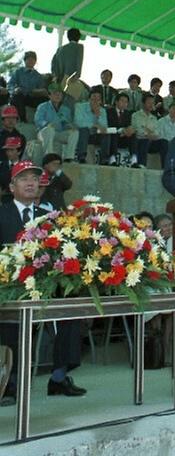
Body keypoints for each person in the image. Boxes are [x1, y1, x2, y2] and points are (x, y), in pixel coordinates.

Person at [0, 161, 86, 403]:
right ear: (11, 186)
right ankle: (10, 380)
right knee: (12, 309)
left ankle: (59, 377)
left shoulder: (48, 217)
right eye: (23, 178)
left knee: (71, 304)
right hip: (11, 286)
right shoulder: (2, 213)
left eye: (34, 179)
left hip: (46, 285)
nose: (30, 183)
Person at [34, 84, 79, 162]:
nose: (58, 96)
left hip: (58, 133)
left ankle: (69, 158)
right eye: (55, 94)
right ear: (49, 96)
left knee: (75, 132)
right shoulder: (43, 106)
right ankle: (49, 157)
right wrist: (47, 124)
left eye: (60, 94)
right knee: (49, 130)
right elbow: (38, 120)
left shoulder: (66, 109)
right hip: (44, 133)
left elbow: (66, 124)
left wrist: (69, 126)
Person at [7, 51, 48, 122]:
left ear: (35, 61)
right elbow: (10, 84)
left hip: (32, 97)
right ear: (25, 60)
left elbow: (42, 89)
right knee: (17, 97)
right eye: (28, 59)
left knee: (44, 100)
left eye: (33, 59)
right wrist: (14, 89)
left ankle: (42, 120)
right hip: (20, 95)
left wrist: (40, 91)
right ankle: (23, 120)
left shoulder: (38, 76)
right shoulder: (18, 72)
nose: (31, 61)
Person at [74, 87, 111, 165]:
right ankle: (81, 157)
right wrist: (94, 125)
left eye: (98, 99)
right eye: (93, 98)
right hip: (82, 134)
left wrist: (97, 117)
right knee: (84, 130)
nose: (95, 101)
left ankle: (104, 159)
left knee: (106, 134)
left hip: (95, 135)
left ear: (100, 101)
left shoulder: (102, 110)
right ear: (89, 98)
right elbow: (78, 122)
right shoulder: (80, 107)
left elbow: (104, 126)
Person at [132, 94, 168, 168]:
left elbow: (157, 133)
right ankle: (142, 165)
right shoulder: (136, 115)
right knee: (145, 140)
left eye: (153, 103)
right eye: (149, 103)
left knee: (164, 142)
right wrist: (148, 133)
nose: (151, 105)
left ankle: (165, 167)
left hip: (152, 142)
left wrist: (147, 131)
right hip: (140, 141)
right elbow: (138, 130)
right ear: (143, 103)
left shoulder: (154, 118)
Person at [107, 92, 139, 166]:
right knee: (114, 135)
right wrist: (121, 130)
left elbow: (129, 126)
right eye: (122, 101)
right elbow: (109, 125)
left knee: (133, 135)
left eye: (126, 102)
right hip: (113, 136)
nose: (124, 103)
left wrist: (128, 130)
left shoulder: (128, 113)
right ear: (116, 102)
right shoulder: (109, 112)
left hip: (124, 137)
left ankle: (134, 159)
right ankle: (112, 159)